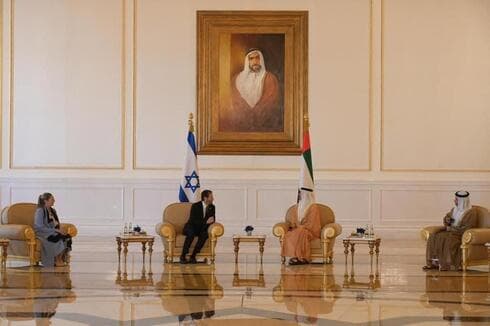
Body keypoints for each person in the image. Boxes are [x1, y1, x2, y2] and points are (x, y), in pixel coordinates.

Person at [221, 48, 283, 132]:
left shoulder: (270, 78)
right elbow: (234, 100)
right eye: (251, 58)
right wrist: (245, 116)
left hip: (264, 127)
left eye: (257, 58)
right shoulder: (236, 79)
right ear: (247, 61)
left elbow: (270, 101)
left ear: (261, 60)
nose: (255, 61)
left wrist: (254, 116)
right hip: (240, 127)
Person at [424, 191, 479, 271]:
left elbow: (468, 227)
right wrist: (447, 220)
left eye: (456, 200)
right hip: (451, 231)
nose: (455, 201)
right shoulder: (454, 210)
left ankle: (447, 264)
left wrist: (453, 229)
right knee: (433, 236)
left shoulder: (471, 212)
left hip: (461, 234)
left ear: (462, 201)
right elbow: (447, 217)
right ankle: (433, 263)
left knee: (448, 239)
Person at [34, 193, 72, 267]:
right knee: (58, 237)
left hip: (53, 231)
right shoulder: (40, 211)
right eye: (52, 199)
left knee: (67, 237)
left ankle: (60, 258)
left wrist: (60, 230)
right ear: (46, 201)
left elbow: (56, 223)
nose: (54, 201)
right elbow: (39, 227)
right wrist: (56, 230)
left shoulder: (53, 211)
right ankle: (57, 260)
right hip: (43, 233)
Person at [180, 190, 216, 264]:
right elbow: (194, 220)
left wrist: (208, 222)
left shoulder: (212, 207)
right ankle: (183, 256)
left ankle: (193, 256)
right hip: (191, 226)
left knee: (205, 235)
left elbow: (212, 219)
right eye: (211, 197)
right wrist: (206, 221)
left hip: (201, 228)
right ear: (205, 198)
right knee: (191, 233)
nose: (213, 199)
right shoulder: (195, 206)